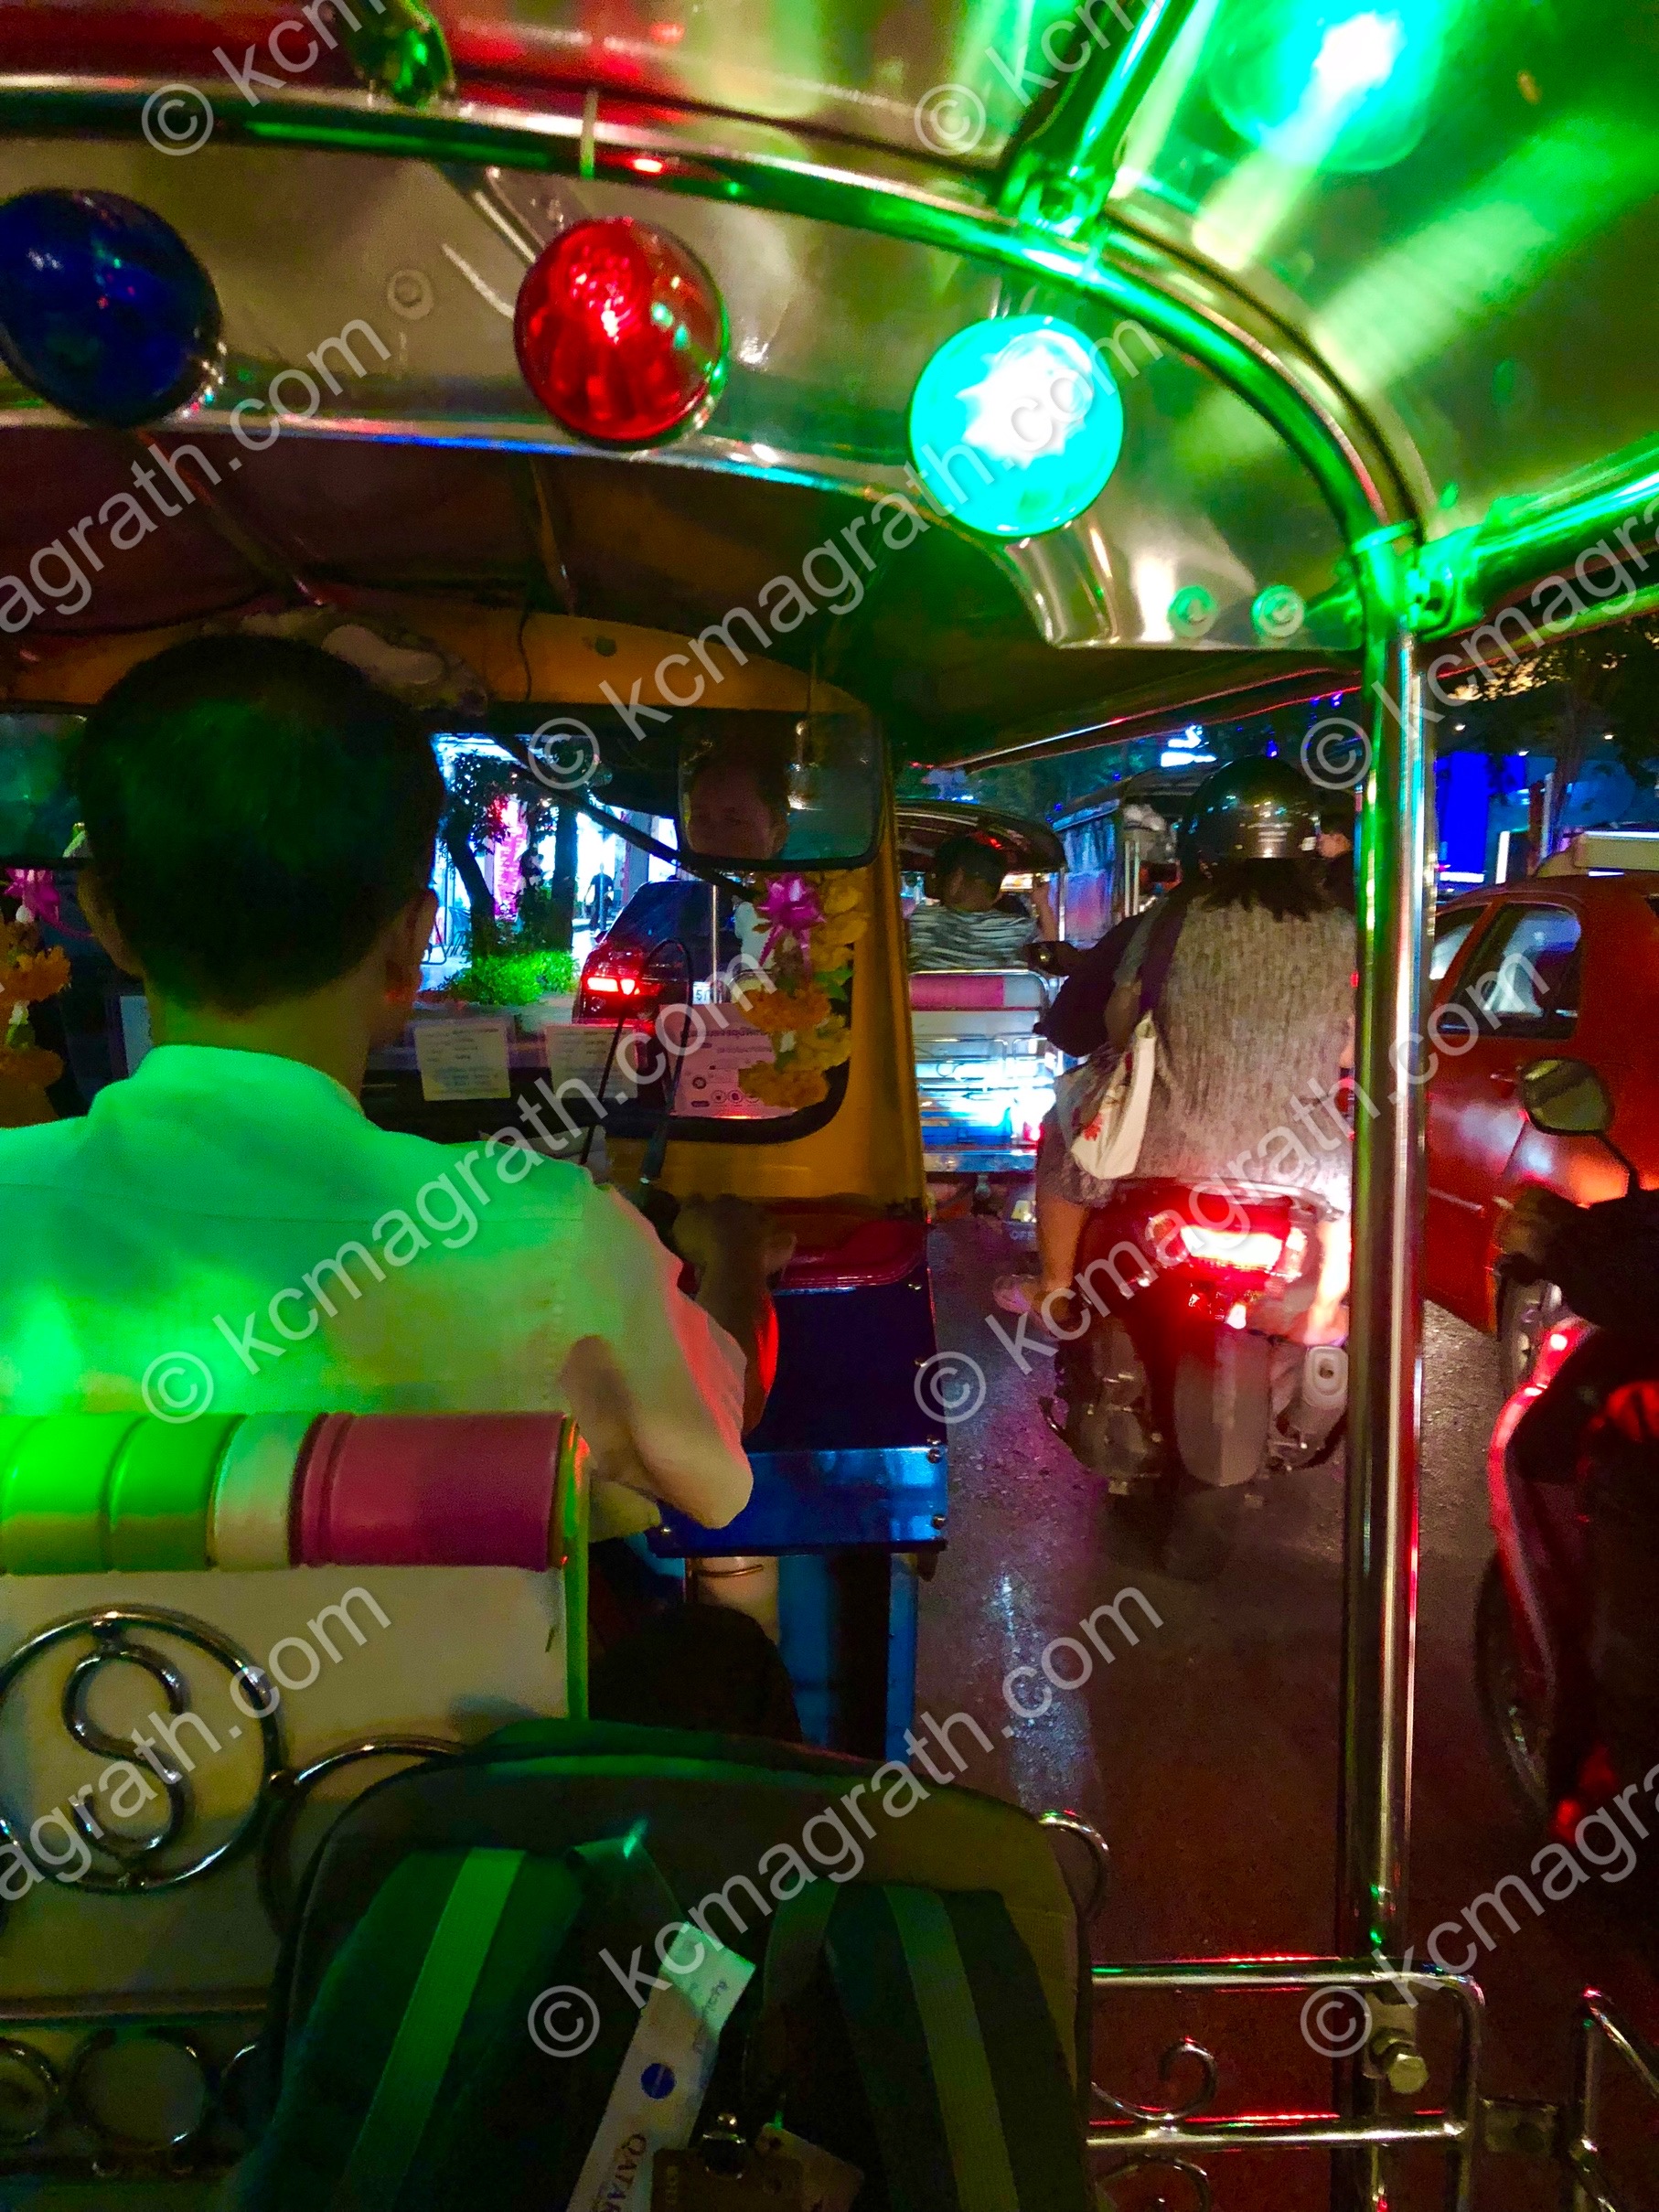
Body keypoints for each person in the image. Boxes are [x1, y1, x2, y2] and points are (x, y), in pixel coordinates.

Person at [0, 636, 788, 1540]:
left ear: (108, 919)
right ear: (410, 941)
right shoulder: (553, 1240)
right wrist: (728, 1255)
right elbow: (716, 1469)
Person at [1011, 758, 1355, 1335]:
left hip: (1160, 1148)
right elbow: (1350, 1051)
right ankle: (1321, 1312)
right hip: (1304, 1161)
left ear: (1203, 849)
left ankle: (1053, 1288)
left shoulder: (1171, 917)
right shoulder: (1346, 931)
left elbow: (1123, 1023)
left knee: (1061, 1131)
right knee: (1344, 1202)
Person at [906, 832, 1058, 972]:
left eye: (939, 876)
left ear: (956, 879)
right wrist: (1042, 903)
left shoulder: (921, 920)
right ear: (998, 894)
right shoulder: (1020, 928)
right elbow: (1051, 963)